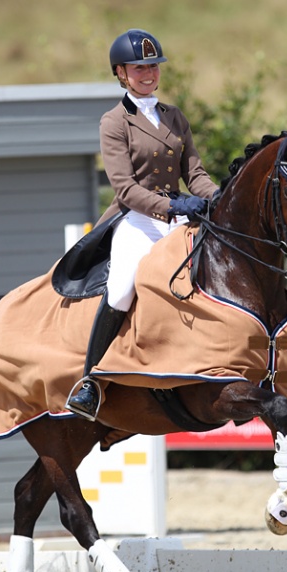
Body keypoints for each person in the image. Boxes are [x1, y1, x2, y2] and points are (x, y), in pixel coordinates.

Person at [65, 28, 219, 420]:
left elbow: (195, 173)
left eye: (153, 66)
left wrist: (218, 198)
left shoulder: (173, 116)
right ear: (121, 72)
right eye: (139, 67)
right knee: (121, 288)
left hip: (180, 216)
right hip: (138, 219)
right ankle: (90, 381)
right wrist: (171, 207)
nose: (148, 73)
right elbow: (125, 188)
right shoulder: (114, 121)